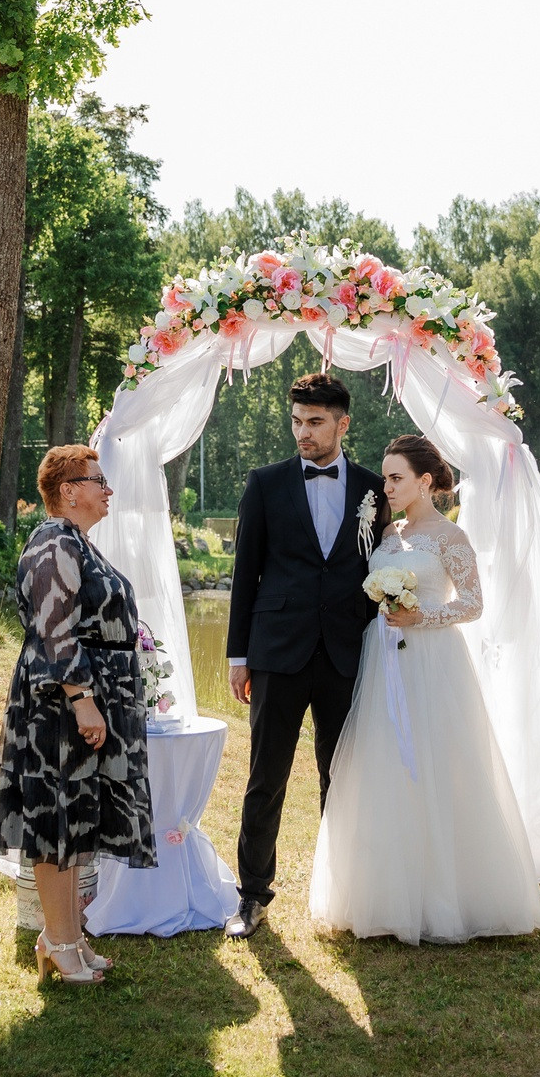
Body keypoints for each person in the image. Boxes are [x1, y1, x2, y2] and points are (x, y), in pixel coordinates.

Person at [310, 433, 540, 944]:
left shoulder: (449, 537)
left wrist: (423, 616)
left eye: (396, 478)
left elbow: (474, 603)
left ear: (424, 481)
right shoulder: (387, 533)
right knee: (385, 764)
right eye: (385, 477)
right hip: (384, 658)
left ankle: (449, 895)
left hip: (433, 661)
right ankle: (385, 891)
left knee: (441, 767)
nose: (386, 486)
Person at [221, 373, 385, 939]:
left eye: (315, 422)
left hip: (348, 651)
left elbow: (378, 570)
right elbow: (247, 573)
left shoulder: (372, 487)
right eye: (297, 421)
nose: (303, 433)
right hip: (276, 652)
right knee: (266, 778)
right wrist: (238, 654)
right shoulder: (265, 483)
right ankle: (251, 898)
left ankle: (346, 894)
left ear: (342, 423)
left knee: (341, 777)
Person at [0, 444, 157, 982]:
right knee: (55, 820)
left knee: (76, 820)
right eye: (98, 480)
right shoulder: (51, 540)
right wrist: (83, 698)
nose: (108, 490)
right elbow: (54, 628)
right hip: (59, 704)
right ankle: (58, 941)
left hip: (90, 696)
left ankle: (67, 938)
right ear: (69, 490)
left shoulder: (79, 542)